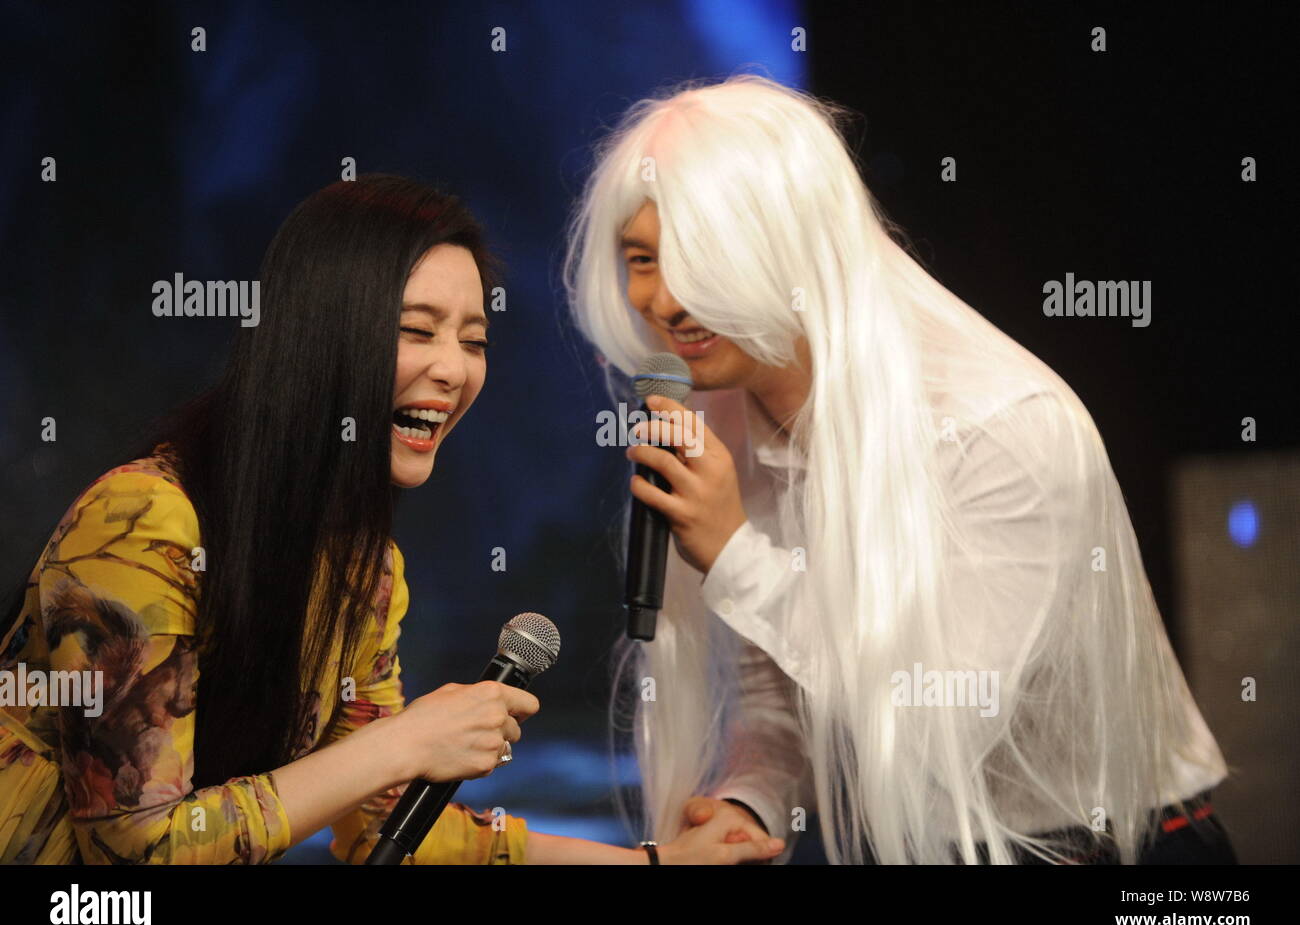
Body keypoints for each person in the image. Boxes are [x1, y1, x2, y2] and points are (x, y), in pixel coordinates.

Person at [0, 173, 783, 865]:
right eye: (417, 331)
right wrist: (400, 743)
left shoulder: (364, 571)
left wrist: (655, 862)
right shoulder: (144, 520)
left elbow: (389, 825)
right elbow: (138, 851)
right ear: (322, 337)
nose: (454, 368)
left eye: (473, 340)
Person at [563, 76, 1235, 864]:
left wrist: (737, 555)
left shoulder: (1001, 425)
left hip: (1110, 846)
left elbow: (943, 722)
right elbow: (781, 683)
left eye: (702, 258)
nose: (665, 300)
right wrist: (752, 799)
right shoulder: (727, 410)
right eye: (642, 259)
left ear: (792, 251)